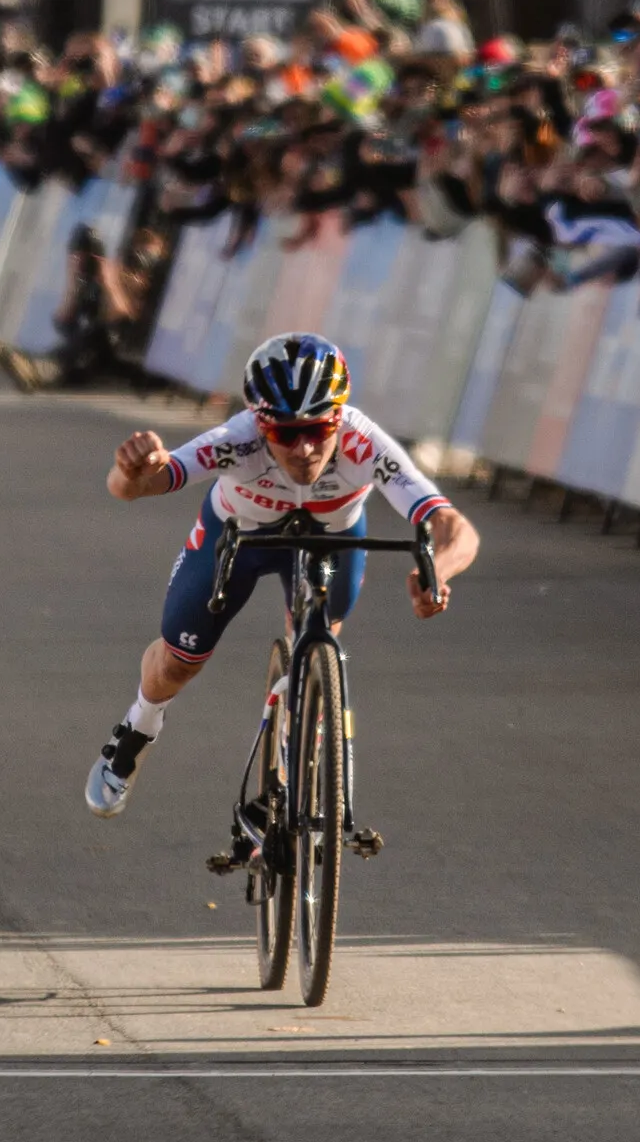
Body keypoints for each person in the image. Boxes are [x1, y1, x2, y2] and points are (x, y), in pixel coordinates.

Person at [86, 331, 479, 821]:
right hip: (238, 537)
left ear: (340, 416)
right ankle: (140, 724)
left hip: (327, 542)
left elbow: (454, 528)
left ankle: (290, 784)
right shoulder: (239, 440)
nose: (304, 448)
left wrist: (437, 573)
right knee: (178, 663)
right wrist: (130, 470)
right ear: (259, 423)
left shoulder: (363, 443)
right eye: (284, 434)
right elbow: (132, 488)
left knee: (314, 651)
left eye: (318, 428)